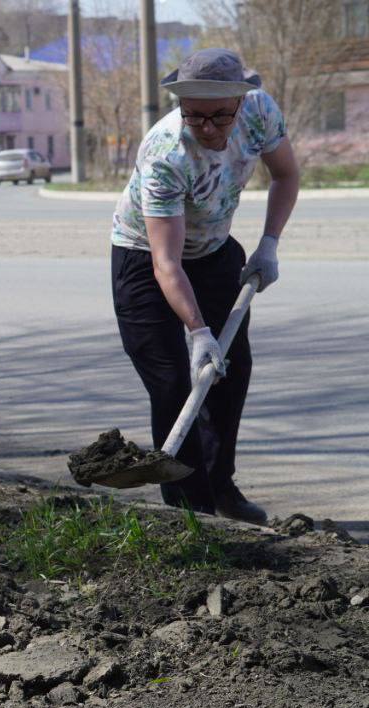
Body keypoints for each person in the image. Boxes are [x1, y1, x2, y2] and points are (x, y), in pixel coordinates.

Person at [110, 48, 299, 523]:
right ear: (181, 107)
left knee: (229, 373)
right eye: (195, 116)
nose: (209, 127)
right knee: (173, 382)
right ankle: (189, 513)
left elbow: (286, 174)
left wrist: (269, 243)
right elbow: (166, 262)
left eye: (220, 115)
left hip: (215, 251)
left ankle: (219, 488)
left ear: (240, 101)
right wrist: (197, 332)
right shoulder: (166, 154)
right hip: (144, 258)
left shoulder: (258, 111)